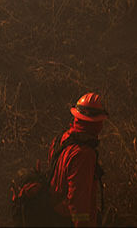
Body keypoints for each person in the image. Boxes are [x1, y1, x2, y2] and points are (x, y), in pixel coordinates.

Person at [48, 93, 107, 227]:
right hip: (68, 220)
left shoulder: (61, 139)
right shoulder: (84, 154)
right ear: (96, 122)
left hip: (54, 213)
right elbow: (77, 202)